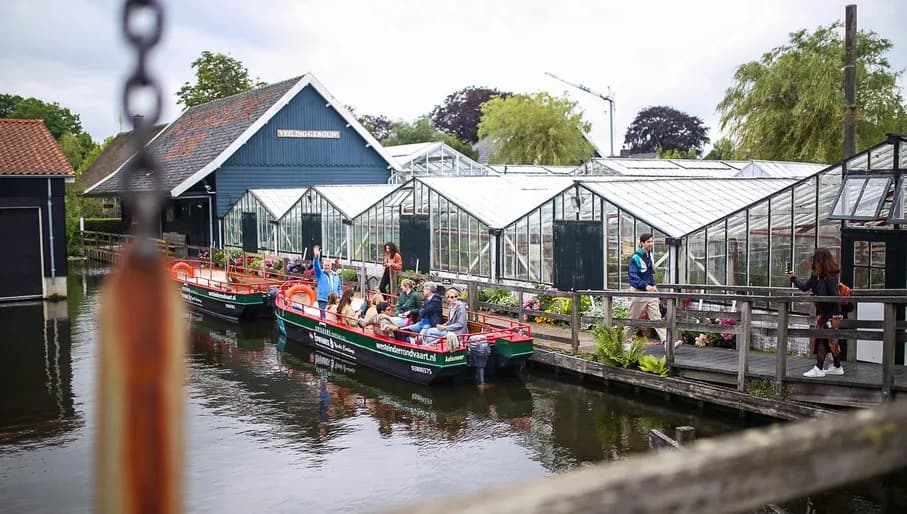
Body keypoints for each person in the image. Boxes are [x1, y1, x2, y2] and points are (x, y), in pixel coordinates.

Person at [786, 248, 844, 378]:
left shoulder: (830, 278)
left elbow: (835, 297)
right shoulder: (816, 276)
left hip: (831, 315)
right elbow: (805, 287)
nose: (814, 262)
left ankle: (819, 368)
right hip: (822, 313)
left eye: (816, 260)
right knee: (830, 341)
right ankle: (837, 366)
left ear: (821, 261)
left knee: (823, 341)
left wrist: (831, 316)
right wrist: (793, 278)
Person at [626, 233, 679, 349]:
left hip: (650, 292)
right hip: (638, 292)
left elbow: (650, 274)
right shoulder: (635, 258)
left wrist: (653, 286)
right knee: (631, 318)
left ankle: (667, 343)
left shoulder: (650, 255)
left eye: (652, 241)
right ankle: (626, 343)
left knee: (657, 317)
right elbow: (633, 277)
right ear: (642, 243)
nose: (651, 244)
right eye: (648, 242)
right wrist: (645, 286)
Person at [313, 245, 342, 316]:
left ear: (331, 266)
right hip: (323, 300)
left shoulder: (336, 275)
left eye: (328, 265)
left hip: (334, 301)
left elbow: (339, 287)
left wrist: (339, 296)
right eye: (325, 265)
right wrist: (316, 257)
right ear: (323, 265)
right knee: (324, 317)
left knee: (333, 317)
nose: (326, 267)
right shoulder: (320, 274)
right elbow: (316, 266)